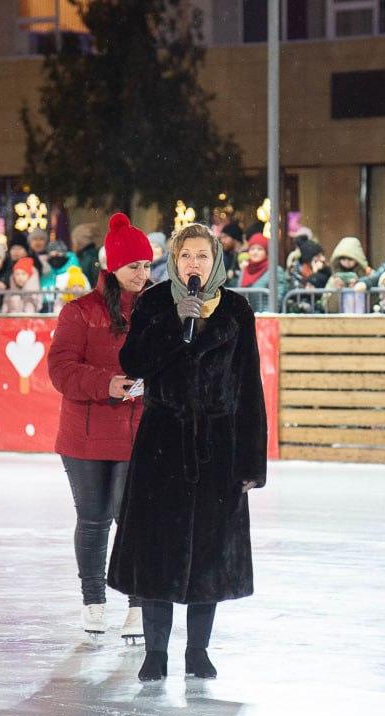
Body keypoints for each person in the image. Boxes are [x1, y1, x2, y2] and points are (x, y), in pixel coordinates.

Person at [108, 222, 267, 682]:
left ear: (214, 259)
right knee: (157, 555)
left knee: (210, 557)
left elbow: (249, 388)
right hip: (161, 446)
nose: (193, 264)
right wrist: (176, 322)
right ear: (174, 261)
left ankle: (197, 651)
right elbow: (133, 362)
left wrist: (252, 461)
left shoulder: (238, 309)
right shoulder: (156, 303)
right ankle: (154, 653)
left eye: (201, 255)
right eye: (185, 256)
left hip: (218, 449)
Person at [47, 213, 153, 642]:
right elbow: (60, 369)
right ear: (112, 267)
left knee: (133, 521)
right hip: (85, 436)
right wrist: (105, 383)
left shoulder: (155, 311)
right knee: (93, 520)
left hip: (139, 432)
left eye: (147, 266)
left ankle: (139, 606)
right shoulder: (80, 313)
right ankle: (93, 600)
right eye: (134, 267)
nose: (142, 275)